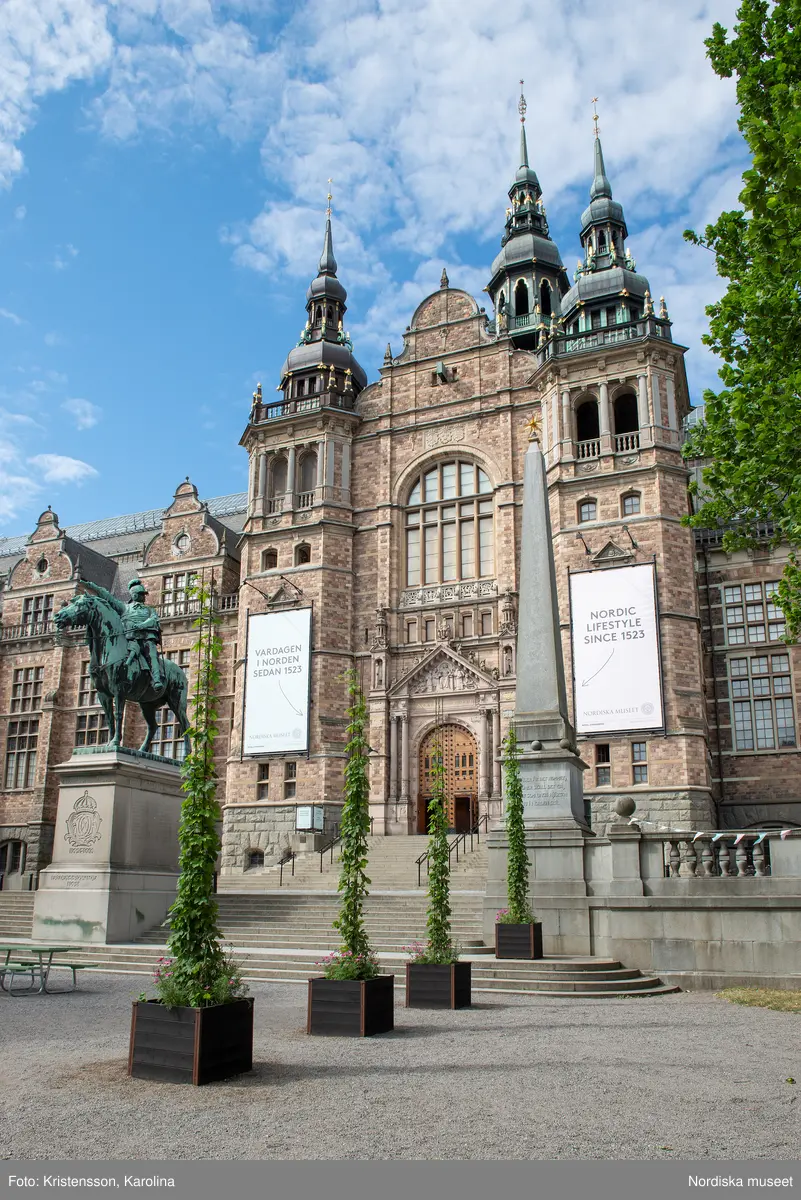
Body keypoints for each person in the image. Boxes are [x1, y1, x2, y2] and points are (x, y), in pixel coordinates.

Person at [81, 577, 165, 693]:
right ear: (135, 595)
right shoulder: (125, 608)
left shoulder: (149, 610)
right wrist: (91, 585)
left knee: (152, 654)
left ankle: (156, 679)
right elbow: (108, 597)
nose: (144, 597)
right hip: (129, 639)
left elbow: (154, 620)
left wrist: (141, 625)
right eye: (142, 594)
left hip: (145, 639)